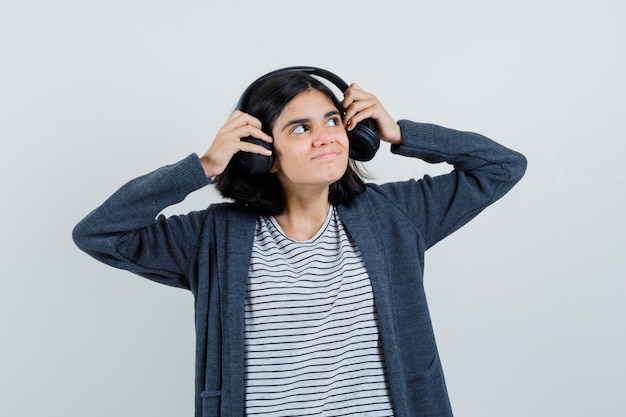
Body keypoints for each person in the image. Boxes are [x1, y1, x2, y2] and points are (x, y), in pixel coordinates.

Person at [72, 67, 527, 417]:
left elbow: (502, 166)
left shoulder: (395, 214)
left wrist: (400, 132)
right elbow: (100, 232)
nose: (327, 137)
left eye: (332, 120)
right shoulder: (213, 236)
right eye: (300, 128)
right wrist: (203, 166)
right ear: (262, 154)